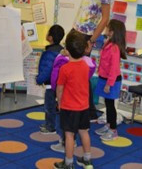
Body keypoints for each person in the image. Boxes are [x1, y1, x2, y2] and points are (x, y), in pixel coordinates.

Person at [73, 0, 113, 120]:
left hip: (88, 35)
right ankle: (78, 107)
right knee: (73, 71)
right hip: (77, 29)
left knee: (81, 74)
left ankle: (88, 111)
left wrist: (92, 40)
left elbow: (105, 18)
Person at [53, 30, 93, 169]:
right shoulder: (85, 66)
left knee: (69, 135)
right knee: (84, 132)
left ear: (67, 50)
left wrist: (59, 102)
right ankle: (87, 159)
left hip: (69, 108)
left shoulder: (65, 68)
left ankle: (68, 163)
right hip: (84, 107)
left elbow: (59, 89)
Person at [95, 19, 127, 141]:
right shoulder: (108, 43)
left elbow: (113, 69)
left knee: (110, 105)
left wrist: (109, 84)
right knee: (107, 104)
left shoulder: (114, 48)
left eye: (108, 27)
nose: (106, 29)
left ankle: (113, 130)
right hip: (104, 77)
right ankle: (109, 124)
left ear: (112, 32)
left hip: (111, 80)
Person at [36, 24, 65, 134]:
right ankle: (54, 125)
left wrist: (39, 79)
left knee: (49, 106)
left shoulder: (49, 53)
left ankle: (50, 126)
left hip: (50, 85)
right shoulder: (62, 51)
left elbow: (47, 70)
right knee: (59, 105)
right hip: (61, 84)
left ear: (50, 37)